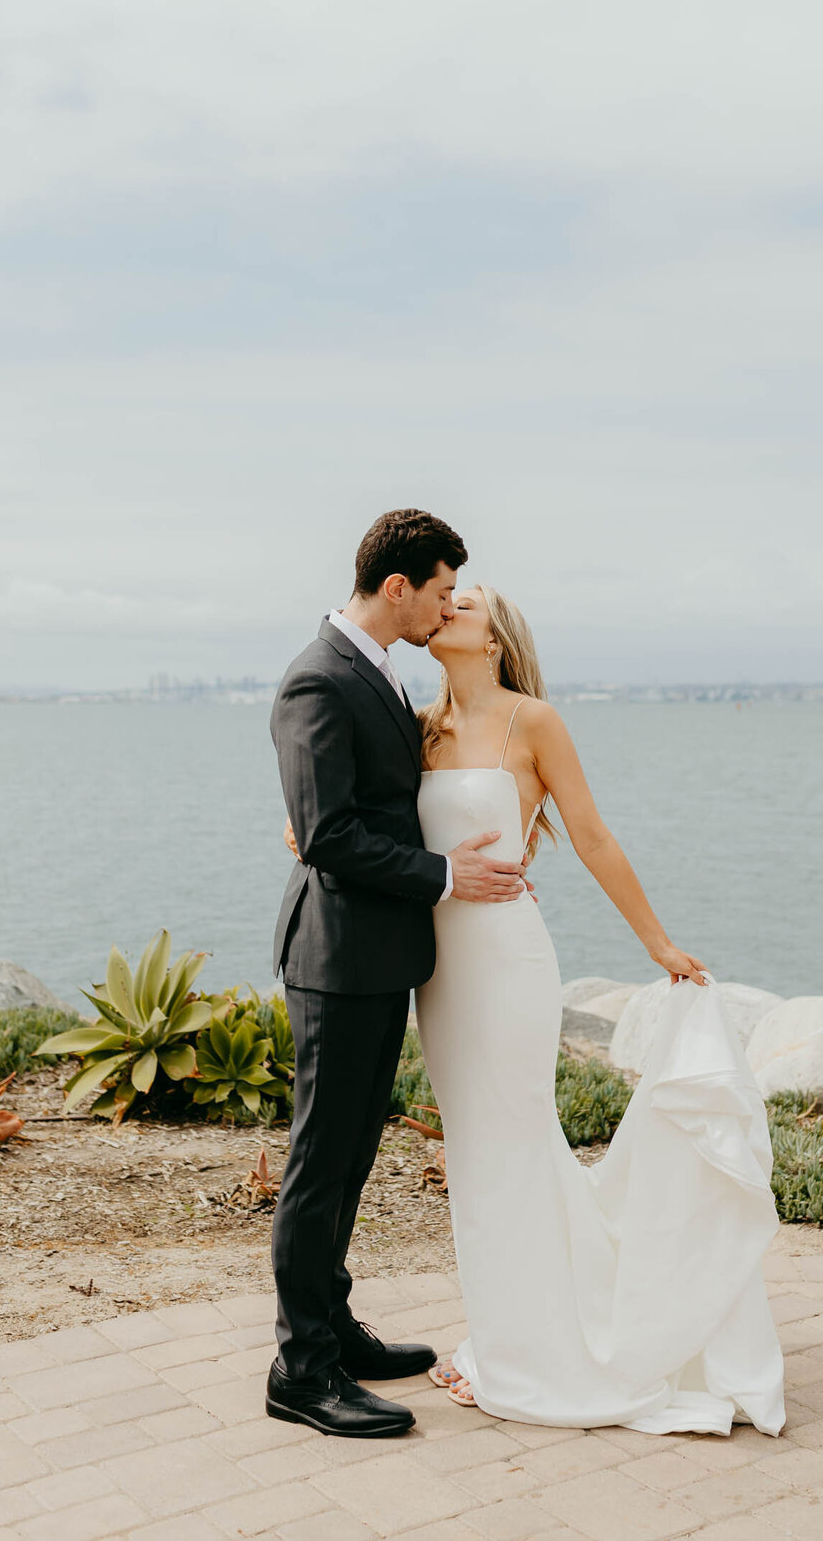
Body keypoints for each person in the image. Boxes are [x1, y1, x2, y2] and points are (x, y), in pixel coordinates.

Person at [413, 583, 784, 1434]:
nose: (443, 609)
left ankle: (541, 1355)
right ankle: (505, 1337)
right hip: (438, 971)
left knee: (516, 1143)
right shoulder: (418, 728)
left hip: (508, 960)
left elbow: (592, 836)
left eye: (462, 603)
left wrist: (657, 944)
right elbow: (375, 827)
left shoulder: (533, 722)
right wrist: (304, 830)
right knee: (476, 1156)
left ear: (495, 638)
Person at [265, 510, 529, 1441]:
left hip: (378, 959)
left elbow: (352, 809)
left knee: (351, 1159)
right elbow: (330, 837)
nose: (446, 608)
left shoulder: (374, 674)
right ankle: (302, 1369)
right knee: (319, 1166)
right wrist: (450, 874)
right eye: (441, 591)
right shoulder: (317, 679)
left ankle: (333, 1327)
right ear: (397, 588)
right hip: (336, 960)